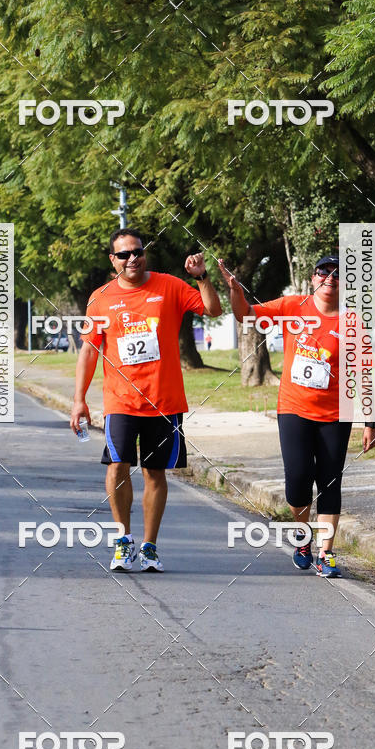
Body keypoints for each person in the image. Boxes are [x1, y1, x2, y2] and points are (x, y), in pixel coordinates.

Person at [70, 228, 222, 573]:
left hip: (164, 402)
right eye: (123, 254)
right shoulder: (101, 298)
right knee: (117, 466)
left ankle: (150, 546)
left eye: (137, 252)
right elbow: (89, 350)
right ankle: (123, 541)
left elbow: (212, 309)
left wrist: (201, 278)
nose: (132, 259)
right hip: (120, 401)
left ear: (144, 254)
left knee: (155, 473)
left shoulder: (169, 286)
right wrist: (78, 399)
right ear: (113, 260)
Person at [219, 254, 375, 578]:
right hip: (294, 409)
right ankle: (303, 537)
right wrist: (235, 289)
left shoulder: (353, 323)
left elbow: (365, 373)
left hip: (336, 413)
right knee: (298, 480)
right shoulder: (293, 307)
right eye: (324, 272)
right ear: (312, 277)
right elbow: (244, 314)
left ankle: (326, 552)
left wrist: (370, 422)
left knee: (331, 482)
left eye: (337, 274)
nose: (330, 278)